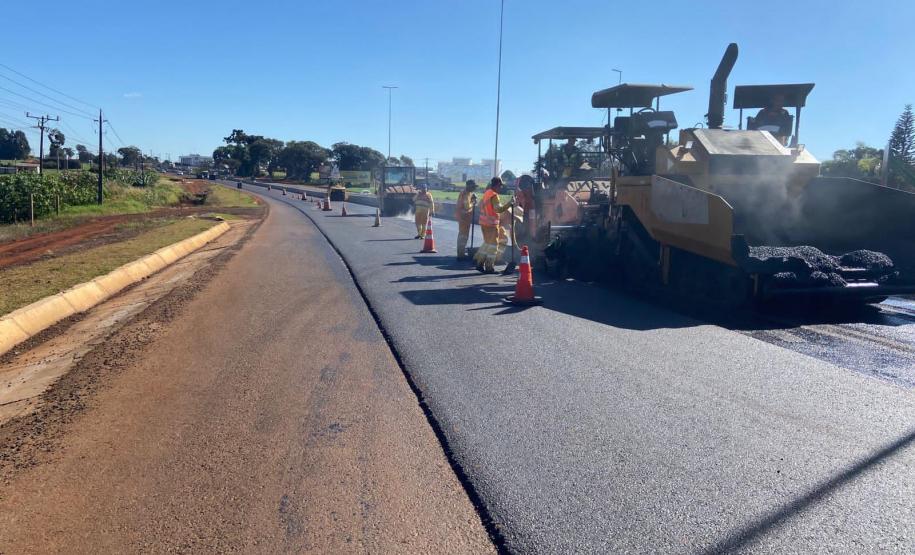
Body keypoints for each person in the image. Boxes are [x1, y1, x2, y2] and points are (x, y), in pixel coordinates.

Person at [473, 177, 514, 273]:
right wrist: (510, 203)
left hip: (484, 223)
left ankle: (479, 264)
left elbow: (480, 206)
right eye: (500, 186)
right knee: (493, 246)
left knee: (487, 244)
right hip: (491, 225)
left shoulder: (487, 193)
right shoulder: (494, 195)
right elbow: (498, 209)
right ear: (497, 185)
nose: (500, 188)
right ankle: (489, 267)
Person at [456, 180, 478, 259]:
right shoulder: (464, 194)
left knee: (464, 235)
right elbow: (467, 206)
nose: (474, 189)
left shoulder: (469, 193)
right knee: (463, 236)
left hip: (466, 218)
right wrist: (473, 202)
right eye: (473, 187)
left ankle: (461, 252)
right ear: (468, 186)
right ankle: (460, 255)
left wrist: (473, 200)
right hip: (463, 217)